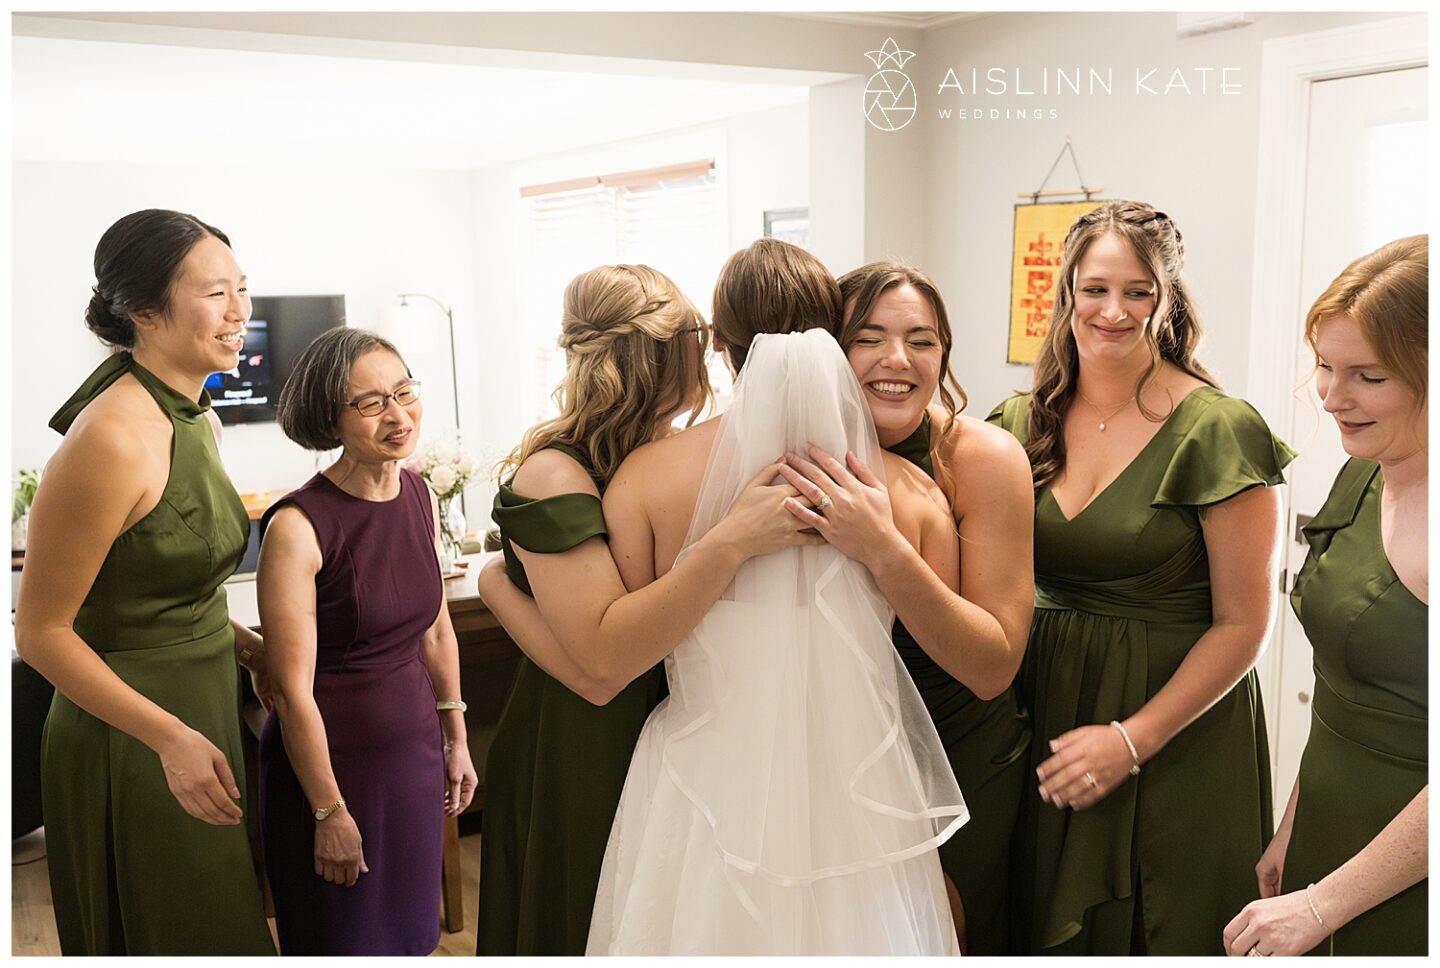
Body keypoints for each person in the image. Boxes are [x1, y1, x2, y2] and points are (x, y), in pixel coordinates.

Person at [583, 247, 966, 954]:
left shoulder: (646, 478)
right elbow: (949, 645)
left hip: (702, 786)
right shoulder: (910, 494)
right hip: (857, 795)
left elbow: (621, 650)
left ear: (718, 342)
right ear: (833, 337)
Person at [475, 259, 821, 955]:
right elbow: (603, 667)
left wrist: (494, 582)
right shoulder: (555, 473)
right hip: (582, 739)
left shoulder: (671, 456)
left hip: (671, 722)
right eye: (700, 335)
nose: (714, 350)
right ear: (665, 353)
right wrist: (731, 541)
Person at [986, 200, 1294, 954]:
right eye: (1095, 289)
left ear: (1168, 298)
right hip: (1045, 714)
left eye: (1138, 291)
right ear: (1066, 294)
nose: (1114, 311)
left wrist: (1131, 740)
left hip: (1174, 730)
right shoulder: (1017, 424)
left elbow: (1245, 625)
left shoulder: (1218, 429)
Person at [14, 209, 275, 955]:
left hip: (200, 710)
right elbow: (40, 633)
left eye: (242, 288)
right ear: (143, 311)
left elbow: (168, 586)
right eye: (215, 293)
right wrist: (169, 739)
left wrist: (250, 650)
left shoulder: (197, 417)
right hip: (132, 733)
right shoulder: (111, 439)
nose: (239, 311)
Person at [777, 261, 1035, 953]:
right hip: (831, 752)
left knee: (945, 933)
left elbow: (993, 665)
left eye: (922, 341)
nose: (897, 359)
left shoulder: (983, 459)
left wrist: (884, 547)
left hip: (957, 743)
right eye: (869, 338)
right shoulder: (786, 448)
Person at [1224, 235, 1427, 957]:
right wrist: (1294, 823)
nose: (1333, 398)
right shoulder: (1365, 468)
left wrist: (1324, 904)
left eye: (1368, 376)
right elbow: (1338, 679)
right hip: (1330, 835)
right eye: (1325, 367)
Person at [255, 327, 477, 955]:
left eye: (404, 392)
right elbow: (290, 691)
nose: (398, 415)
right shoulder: (298, 525)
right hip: (331, 771)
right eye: (372, 402)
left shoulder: (418, 493)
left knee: (412, 939)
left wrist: (456, 738)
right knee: (343, 942)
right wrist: (328, 811)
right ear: (330, 418)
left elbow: (436, 628)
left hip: (412, 760)